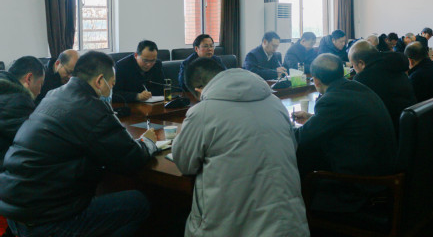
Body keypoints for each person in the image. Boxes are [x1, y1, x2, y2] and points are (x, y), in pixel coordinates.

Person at [0, 51, 158, 237]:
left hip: (17, 213)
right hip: (47, 221)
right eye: (112, 84)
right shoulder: (92, 108)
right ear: (100, 81)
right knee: (138, 203)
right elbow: (132, 159)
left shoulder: (53, 95)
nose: (111, 90)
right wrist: (148, 141)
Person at [173, 59, 309, 236]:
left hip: (231, 227)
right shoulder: (275, 102)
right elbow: (293, 145)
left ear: (199, 90)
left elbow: (185, 164)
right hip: (288, 224)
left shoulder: (202, 112)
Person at [293, 54, 396, 212]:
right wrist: (314, 118)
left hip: (360, 187)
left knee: (304, 163)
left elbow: (302, 139)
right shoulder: (358, 88)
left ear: (316, 80)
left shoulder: (332, 100)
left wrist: (281, 127)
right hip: (383, 173)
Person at [349, 40, 416, 137]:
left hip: (388, 133)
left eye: (353, 65)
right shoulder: (396, 66)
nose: (354, 70)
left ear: (361, 63)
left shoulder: (363, 79)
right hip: (409, 128)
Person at [0, 56, 45, 167]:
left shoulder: (5, 90)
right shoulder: (18, 101)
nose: (40, 91)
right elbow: (35, 141)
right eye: (41, 84)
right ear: (29, 79)